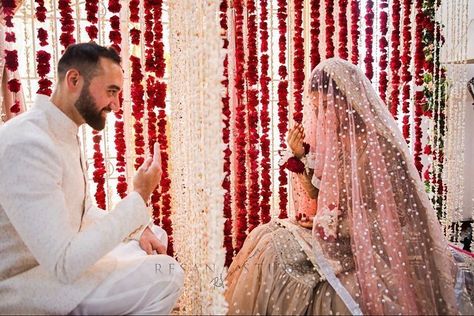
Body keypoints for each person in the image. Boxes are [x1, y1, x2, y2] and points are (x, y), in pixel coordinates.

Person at [225, 58, 469, 315]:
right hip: (344, 233)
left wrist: (335, 224)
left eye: (327, 106)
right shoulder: (339, 140)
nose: (321, 116)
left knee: (279, 255)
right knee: (267, 238)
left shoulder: (381, 147)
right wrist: (299, 158)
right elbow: (319, 196)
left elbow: (396, 219)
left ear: (348, 99)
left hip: (379, 246)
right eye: (317, 108)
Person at [0, 43, 183, 314]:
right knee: (167, 274)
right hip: (27, 285)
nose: (117, 105)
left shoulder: (61, 131)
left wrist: (137, 227)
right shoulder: (28, 143)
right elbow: (63, 264)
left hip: (56, 269)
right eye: (111, 91)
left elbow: (82, 213)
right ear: (74, 80)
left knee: (153, 236)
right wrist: (139, 196)